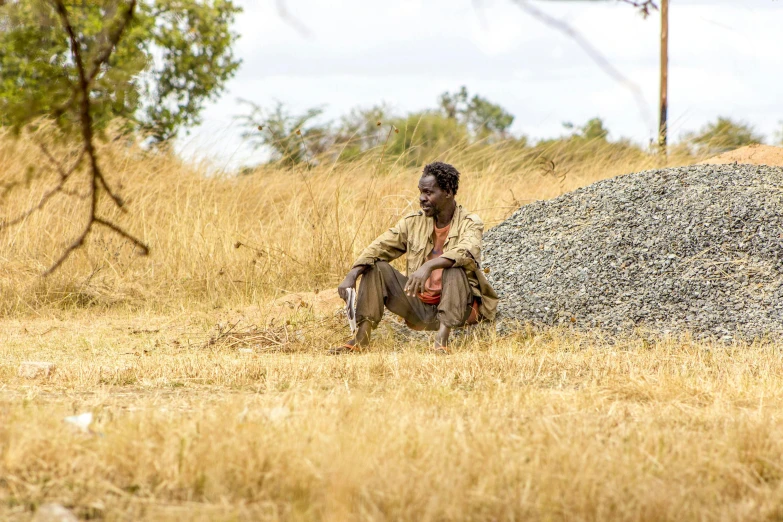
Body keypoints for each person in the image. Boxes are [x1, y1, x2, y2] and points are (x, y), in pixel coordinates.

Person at [331, 161, 498, 354]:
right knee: (376, 267)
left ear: (448, 192)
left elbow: (466, 253)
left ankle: (441, 343)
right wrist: (353, 274)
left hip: (460, 308)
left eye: (429, 193)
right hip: (421, 308)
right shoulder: (413, 223)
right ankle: (361, 340)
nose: (422, 198)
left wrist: (428, 267)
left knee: (455, 267)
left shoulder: (470, 222)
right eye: (420, 192)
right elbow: (379, 247)